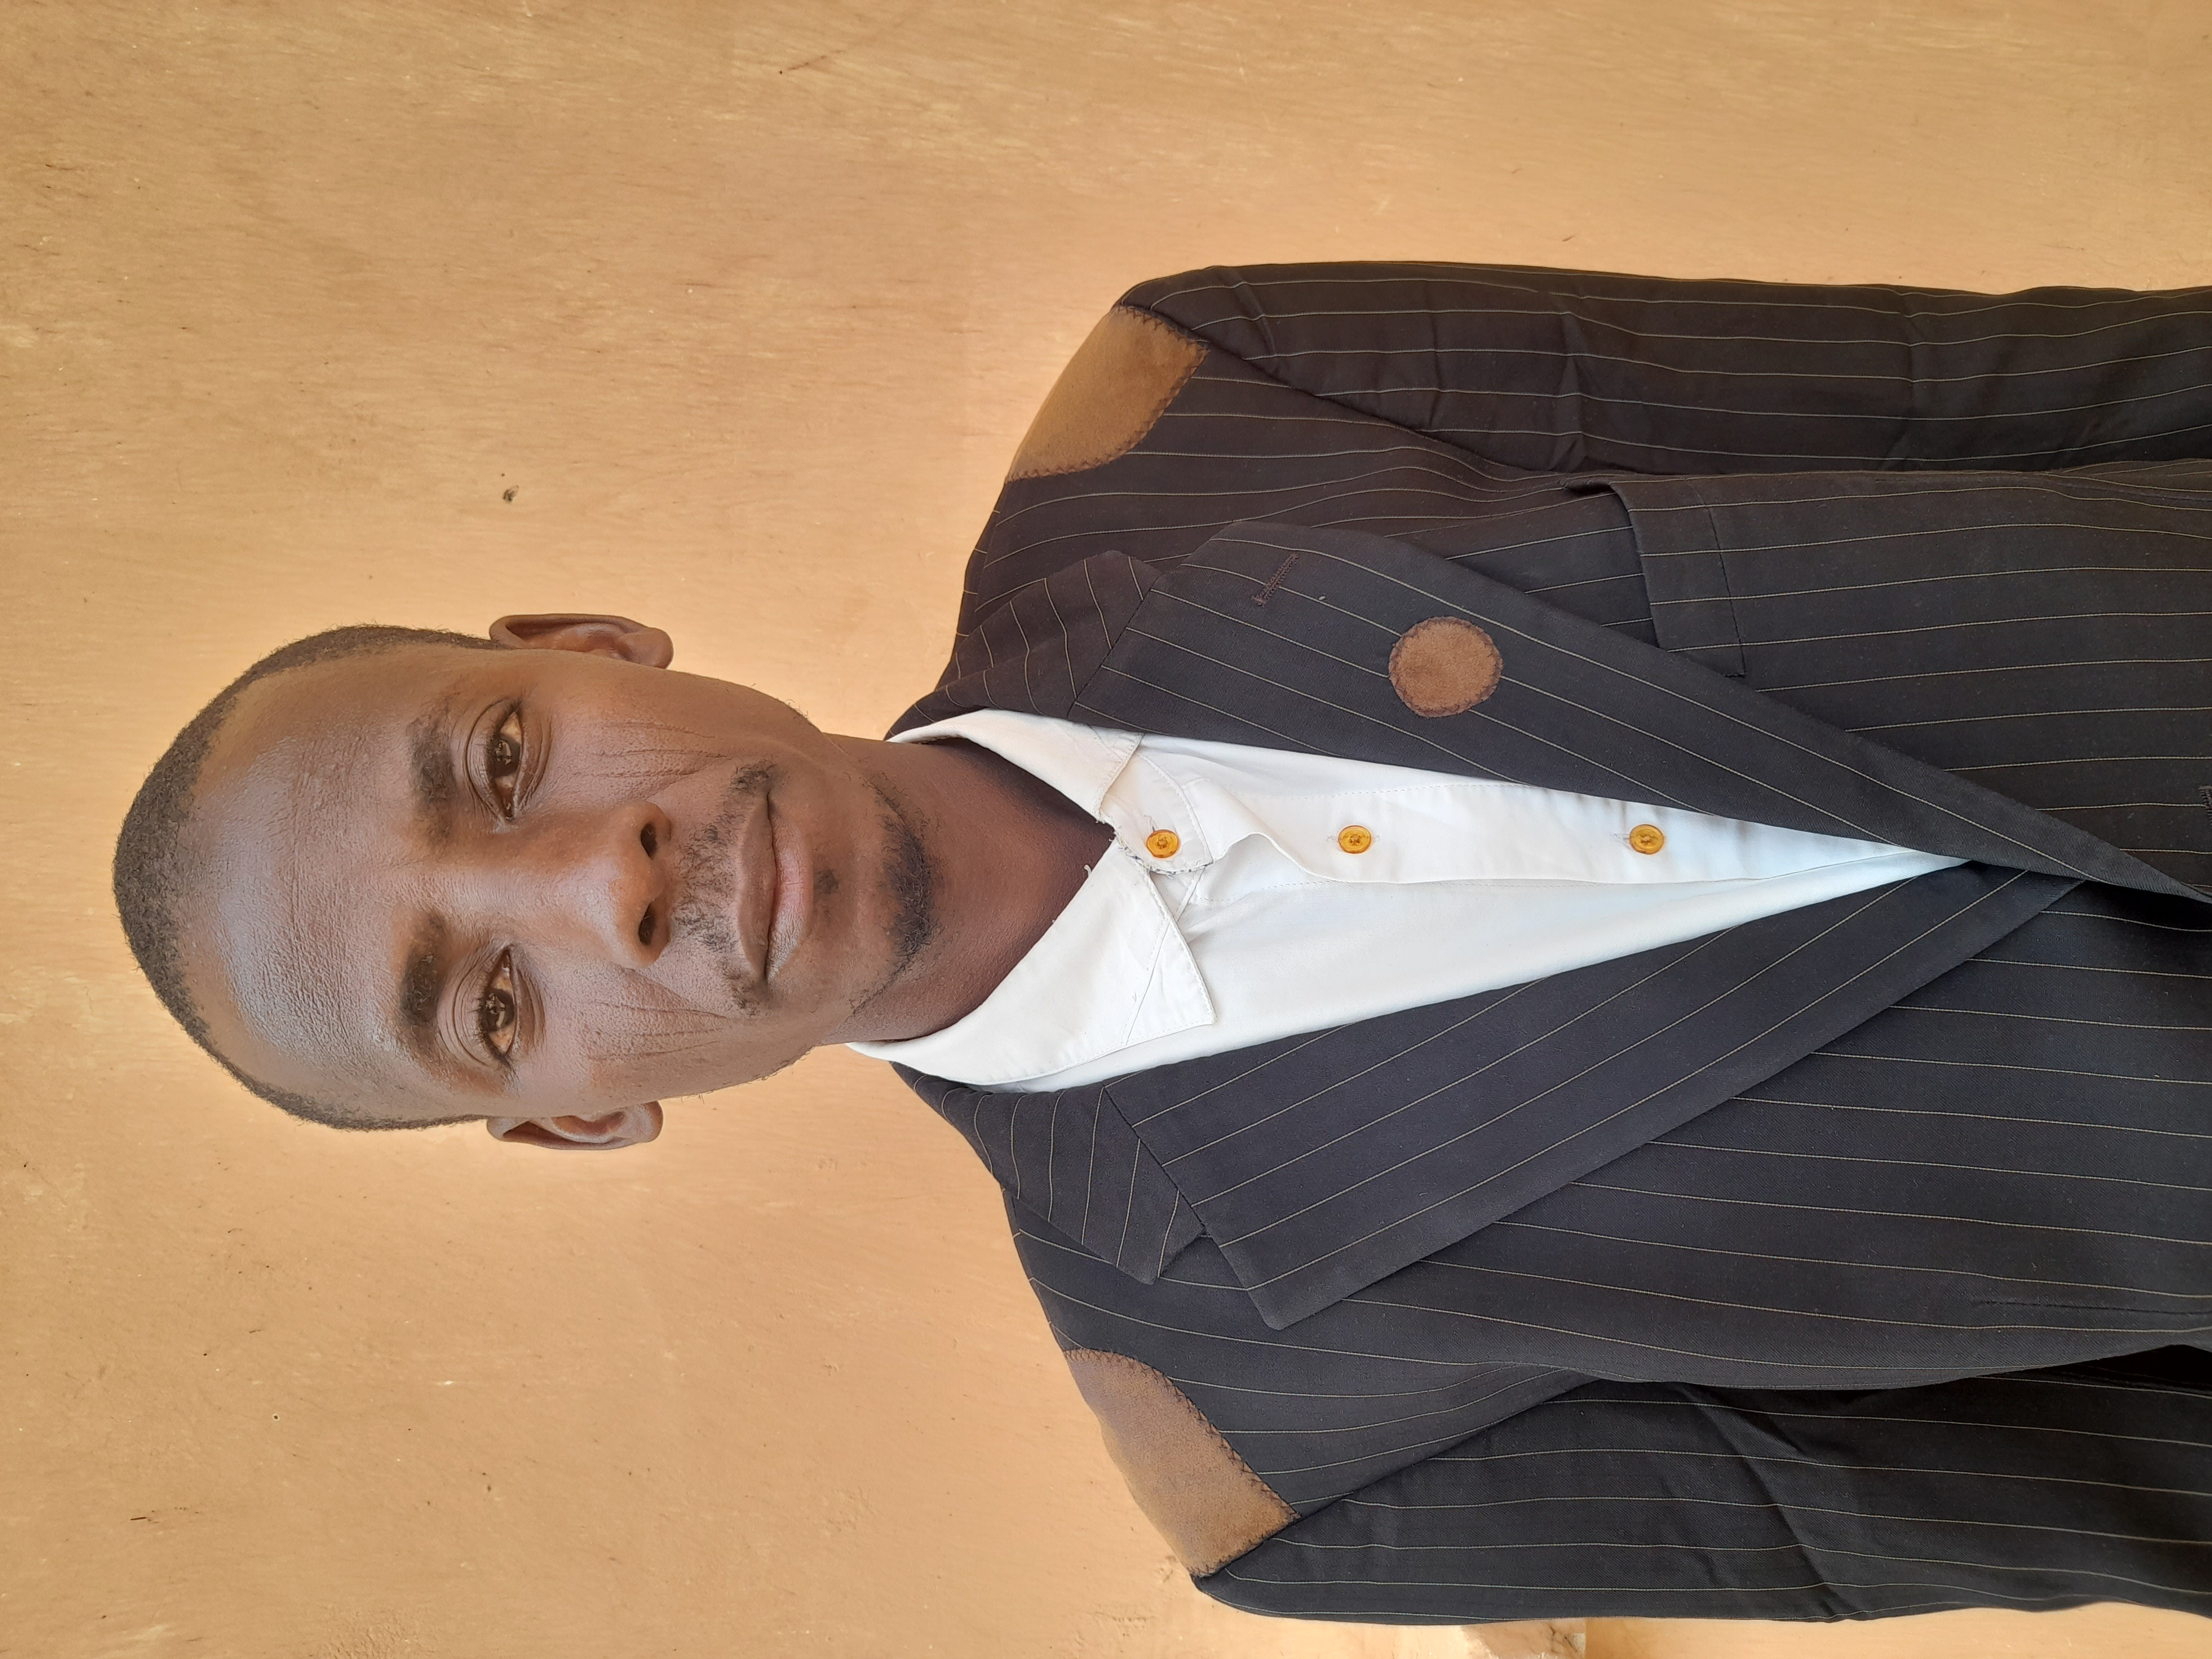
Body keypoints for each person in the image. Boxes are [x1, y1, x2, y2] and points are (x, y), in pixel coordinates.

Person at [114, 263, 2212, 1624]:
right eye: (495, 1000)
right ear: (579, 1119)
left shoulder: (1197, 391)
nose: (604, 883)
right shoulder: (1275, 1466)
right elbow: (2139, 1490)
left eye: (503, 761)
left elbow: (2024, 387)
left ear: (587, 641)